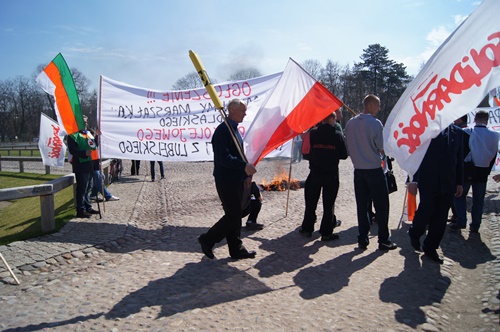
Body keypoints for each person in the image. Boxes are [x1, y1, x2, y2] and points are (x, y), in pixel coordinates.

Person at [198, 99, 257, 260]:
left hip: (237, 179)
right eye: (242, 111)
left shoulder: (235, 130)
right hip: (225, 180)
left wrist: (245, 175)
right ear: (232, 109)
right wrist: (244, 167)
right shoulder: (223, 131)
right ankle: (208, 239)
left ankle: (236, 248)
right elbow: (223, 158)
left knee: (236, 214)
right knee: (233, 215)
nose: (245, 114)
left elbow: (238, 154)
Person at [344, 94, 397, 251]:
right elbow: (381, 147)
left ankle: (362, 238)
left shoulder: (350, 124)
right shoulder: (375, 123)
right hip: (373, 170)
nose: (379, 109)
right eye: (378, 105)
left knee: (362, 206)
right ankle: (383, 239)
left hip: (358, 170)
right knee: (381, 206)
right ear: (371, 105)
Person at [408, 124, 464, 263]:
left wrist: (459, 182)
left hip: (448, 183)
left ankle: (430, 247)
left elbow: (459, 159)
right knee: (425, 211)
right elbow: (417, 156)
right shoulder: (427, 130)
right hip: (428, 180)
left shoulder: (457, 133)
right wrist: (413, 180)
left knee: (441, 217)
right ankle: (415, 232)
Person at [299, 112, 348, 241]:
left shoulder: (313, 133)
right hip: (331, 174)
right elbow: (344, 155)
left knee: (311, 202)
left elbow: (305, 152)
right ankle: (326, 233)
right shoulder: (337, 135)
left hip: (315, 172)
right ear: (332, 119)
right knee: (328, 204)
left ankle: (307, 228)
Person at [450, 110, 499, 232]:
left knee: (459, 196)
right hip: (483, 171)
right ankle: (475, 225)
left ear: (475, 119)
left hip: (468, 170)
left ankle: (461, 220)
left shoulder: (467, 132)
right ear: (487, 120)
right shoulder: (496, 134)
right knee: (479, 200)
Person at [67, 116, 100, 218]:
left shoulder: (88, 134)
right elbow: (72, 150)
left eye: (86, 122)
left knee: (89, 187)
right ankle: (80, 210)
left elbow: (94, 145)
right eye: (83, 123)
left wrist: (98, 136)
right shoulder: (72, 135)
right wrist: (84, 153)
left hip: (90, 165)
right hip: (81, 165)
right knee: (82, 188)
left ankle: (88, 207)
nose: (85, 124)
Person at [448, 114, 469, 222]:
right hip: (467, 169)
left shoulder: (460, 132)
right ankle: (458, 217)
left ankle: (459, 218)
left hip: (460, 169)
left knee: (457, 197)